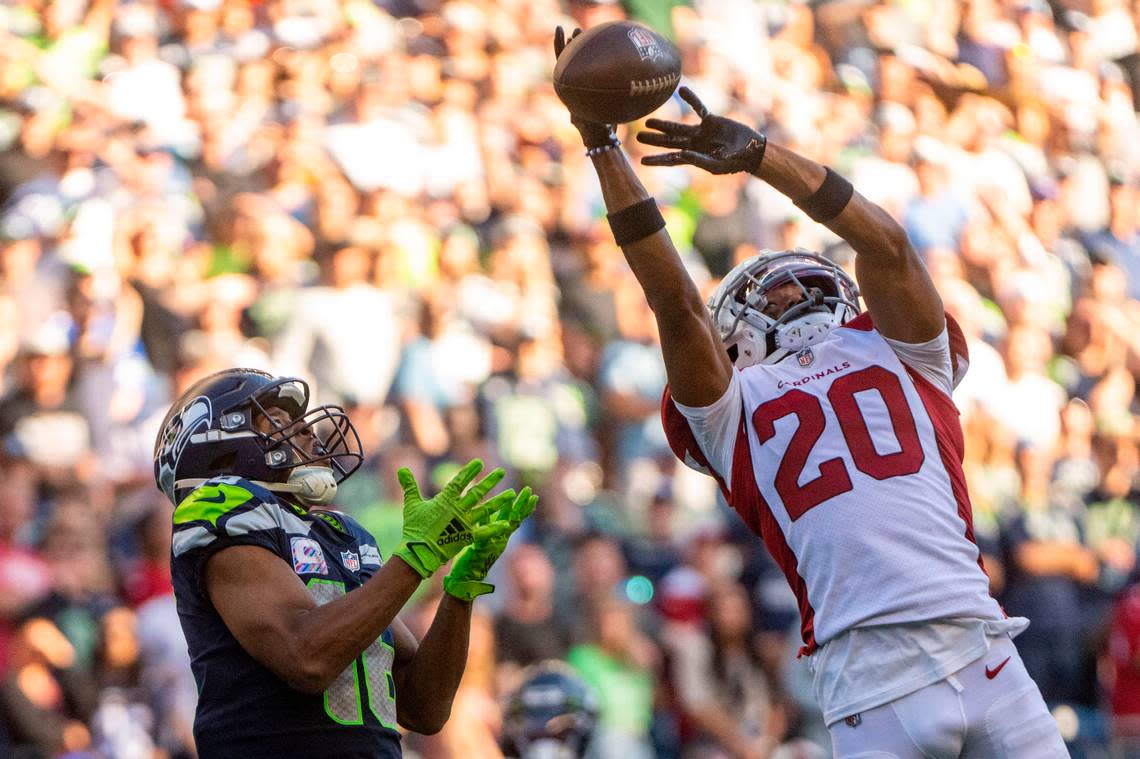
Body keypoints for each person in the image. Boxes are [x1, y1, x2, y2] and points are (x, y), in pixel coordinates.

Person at [552, 27, 1065, 757]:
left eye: (798, 279)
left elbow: (885, 245)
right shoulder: (735, 403)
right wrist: (602, 148)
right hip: (873, 679)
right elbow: (676, 303)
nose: (791, 289)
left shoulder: (896, 346)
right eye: (770, 288)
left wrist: (761, 155)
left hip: (979, 647)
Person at [152, 367, 536, 758]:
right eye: (278, 421)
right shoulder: (217, 508)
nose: (304, 432)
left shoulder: (342, 532)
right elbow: (305, 657)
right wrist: (416, 559)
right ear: (219, 445)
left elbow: (424, 707)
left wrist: (459, 591)